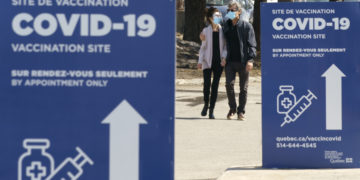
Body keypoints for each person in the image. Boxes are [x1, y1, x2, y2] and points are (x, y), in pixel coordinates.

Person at [222, 1, 257, 120]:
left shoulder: (247, 26)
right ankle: (232, 108)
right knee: (229, 85)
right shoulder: (226, 25)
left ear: (239, 11)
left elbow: (252, 44)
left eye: (233, 10)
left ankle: (241, 111)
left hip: (243, 62)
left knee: (244, 88)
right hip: (230, 62)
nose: (231, 13)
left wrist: (250, 60)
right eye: (229, 11)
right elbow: (212, 24)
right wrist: (204, 33)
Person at [198, 7, 227, 119]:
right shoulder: (205, 31)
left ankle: (211, 110)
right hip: (207, 61)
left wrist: (224, 58)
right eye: (216, 16)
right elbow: (203, 48)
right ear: (210, 18)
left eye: (220, 16)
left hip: (219, 63)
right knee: (206, 86)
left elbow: (225, 47)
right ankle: (206, 104)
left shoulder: (223, 31)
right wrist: (200, 61)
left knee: (215, 87)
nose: (219, 17)